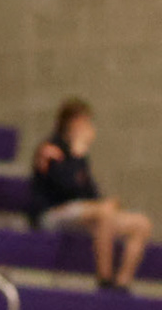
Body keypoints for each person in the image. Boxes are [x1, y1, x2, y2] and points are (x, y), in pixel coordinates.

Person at [29, 98, 152, 293]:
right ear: (72, 122)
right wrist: (77, 156)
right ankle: (104, 280)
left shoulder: (79, 154)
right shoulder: (50, 149)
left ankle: (122, 283)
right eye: (85, 121)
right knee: (103, 213)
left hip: (82, 214)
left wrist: (106, 203)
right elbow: (65, 188)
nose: (89, 127)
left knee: (141, 223)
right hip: (52, 212)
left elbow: (89, 193)